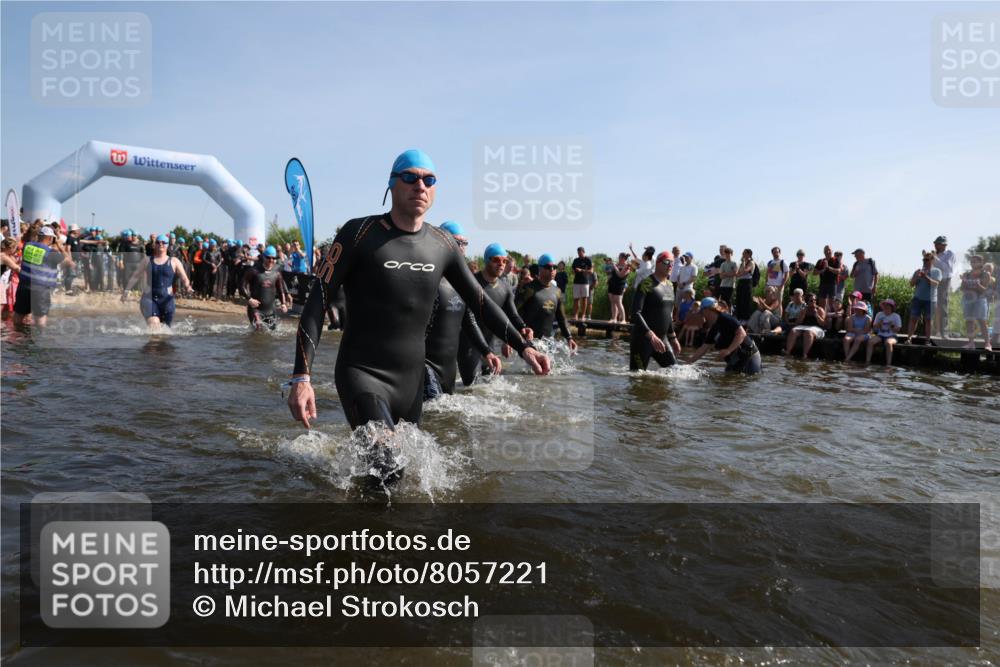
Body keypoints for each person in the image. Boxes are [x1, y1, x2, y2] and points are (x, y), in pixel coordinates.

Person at [287, 149, 550, 479]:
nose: (419, 186)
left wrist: (524, 346)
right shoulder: (359, 234)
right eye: (410, 177)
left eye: (429, 180)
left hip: (410, 384)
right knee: (389, 465)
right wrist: (302, 377)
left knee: (402, 476)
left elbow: (480, 301)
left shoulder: (442, 244)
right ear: (393, 185)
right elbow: (317, 302)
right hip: (362, 373)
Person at [423, 221, 500, 400]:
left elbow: (469, 321)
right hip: (423, 365)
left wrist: (486, 351)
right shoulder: (427, 277)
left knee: (446, 419)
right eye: (457, 242)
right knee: (431, 414)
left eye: (464, 243)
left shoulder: (461, 282)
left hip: (448, 368)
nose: (462, 248)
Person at [457, 242, 535, 386]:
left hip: (491, 342)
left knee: (488, 387)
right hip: (469, 343)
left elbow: (512, 314)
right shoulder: (472, 281)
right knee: (469, 386)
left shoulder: (505, 288)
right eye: (496, 260)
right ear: (487, 260)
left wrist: (523, 327)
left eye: (504, 261)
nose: (501, 264)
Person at [121, 234, 192, 330]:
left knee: (166, 330)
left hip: (167, 300)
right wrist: (126, 291)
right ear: (155, 245)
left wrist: (188, 286)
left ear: (167, 245)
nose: (161, 244)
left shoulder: (174, 261)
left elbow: (184, 278)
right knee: (154, 325)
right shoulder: (147, 260)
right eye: (158, 242)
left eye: (164, 242)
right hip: (149, 298)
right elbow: (135, 276)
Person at [12, 226, 74, 327]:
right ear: (50, 238)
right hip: (40, 289)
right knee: (40, 318)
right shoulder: (51, 252)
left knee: (19, 314)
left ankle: (17, 337)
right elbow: (69, 262)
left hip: (23, 285)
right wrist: (59, 245)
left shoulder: (27, 246)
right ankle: (39, 339)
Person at [629, 251, 680, 371]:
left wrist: (673, 337)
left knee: (675, 372)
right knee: (637, 378)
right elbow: (635, 313)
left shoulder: (669, 285)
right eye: (667, 262)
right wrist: (651, 335)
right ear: (657, 263)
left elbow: (667, 313)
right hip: (642, 340)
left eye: (672, 263)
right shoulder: (647, 283)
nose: (670, 265)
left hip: (661, 340)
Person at [516, 253, 577, 352]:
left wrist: (569, 337)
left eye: (554, 267)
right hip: (527, 341)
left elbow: (561, 317)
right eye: (548, 267)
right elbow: (514, 312)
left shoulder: (557, 291)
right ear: (540, 269)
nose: (552, 270)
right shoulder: (529, 289)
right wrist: (512, 336)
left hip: (547, 343)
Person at [689, 297, 762, 374]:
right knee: (728, 381)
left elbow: (742, 333)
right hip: (735, 359)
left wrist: (728, 350)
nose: (702, 315)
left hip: (749, 356)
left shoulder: (726, 318)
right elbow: (704, 348)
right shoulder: (714, 327)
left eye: (702, 312)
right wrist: (688, 364)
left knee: (751, 378)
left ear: (707, 310)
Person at [241, 245, 291, 331]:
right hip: (255, 309)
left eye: (273, 258)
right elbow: (242, 285)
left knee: (272, 333)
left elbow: (280, 289)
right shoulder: (254, 270)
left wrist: (283, 303)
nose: (271, 260)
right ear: (263, 257)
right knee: (258, 331)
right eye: (268, 258)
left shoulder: (277, 271)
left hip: (270, 309)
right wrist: (249, 299)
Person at [905, 251, 942, 344]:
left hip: (930, 300)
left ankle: (927, 340)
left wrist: (925, 277)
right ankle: (909, 339)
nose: (924, 261)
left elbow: (936, 284)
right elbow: (911, 284)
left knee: (928, 320)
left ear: (932, 260)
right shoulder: (918, 271)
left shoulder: (937, 271)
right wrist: (916, 277)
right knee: (913, 319)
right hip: (917, 299)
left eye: (927, 259)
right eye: (924, 259)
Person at [959, 254, 991, 351]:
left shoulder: (986, 274)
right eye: (971, 261)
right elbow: (961, 289)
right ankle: (970, 343)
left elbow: (984, 290)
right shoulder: (966, 274)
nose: (973, 263)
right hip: (968, 299)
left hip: (980, 299)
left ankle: (987, 344)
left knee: (982, 321)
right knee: (969, 321)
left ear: (981, 262)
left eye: (975, 261)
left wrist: (978, 285)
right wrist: (964, 283)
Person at [784, 293, 826, 358]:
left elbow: (823, 324)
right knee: (793, 330)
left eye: (815, 300)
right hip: (804, 326)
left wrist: (816, 315)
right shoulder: (803, 310)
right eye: (811, 300)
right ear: (807, 302)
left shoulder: (820, 309)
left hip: (817, 328)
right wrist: (803, 315)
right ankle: (788, 351)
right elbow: (798, 322)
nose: (814, 302)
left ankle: (805, 354)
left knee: (808, 333)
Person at [866, 299, 902, 365]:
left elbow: (898, 330)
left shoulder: (896, 316)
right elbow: (874, 327)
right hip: (880, 335)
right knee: (870, 342)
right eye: (884, 305)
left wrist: (892, 326)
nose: (885, 307)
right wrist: (879, 323)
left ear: (892, 307)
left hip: (892, 335)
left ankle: (888, 364)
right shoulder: (879, 314)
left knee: (888, 343)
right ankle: (867, 361)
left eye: (888, 306)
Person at [932, 235, 955, 337]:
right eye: (935, 243)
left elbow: (946, 268)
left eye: (937, 244)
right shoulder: (935, 254)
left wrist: (935, 258)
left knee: (942, 306)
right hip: (934, 280)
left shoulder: (949, 254)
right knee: (933, 306)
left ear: (944, 245)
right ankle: (935, 330)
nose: (935, 245)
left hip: (944, 281)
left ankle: (944, 332)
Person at [813, 245, 840, 313]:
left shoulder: (836, 260)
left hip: (832, 284)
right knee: (822, 303)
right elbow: (814, 272)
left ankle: (831, 320)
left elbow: (838, 271)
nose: (827, 251)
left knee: (832, 304)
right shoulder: (820, 261)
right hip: (823, 284)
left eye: (829, 250)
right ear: (824, 252)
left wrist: (828, 268)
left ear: (831, 251)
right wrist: (823, 270)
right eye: (826, 250)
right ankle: (822, 319)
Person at [607, 252, 631, 323]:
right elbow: (612, 273)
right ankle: (614, 318)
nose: (618, 259)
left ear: (623, 258)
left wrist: (614, 266)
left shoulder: (627, 266)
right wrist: (609, 278)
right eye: (618, 257)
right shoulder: (617, 264)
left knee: (618, 302)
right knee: (612, 301)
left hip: (620, 285)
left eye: (620, 258)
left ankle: (623, 319)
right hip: (612, 284)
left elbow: (620, 275)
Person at [571, 246, 593, 320]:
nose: (579, 254)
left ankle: (583, 315)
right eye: (578, 252)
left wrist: (582, 270)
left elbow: (591, 271)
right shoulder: (575, 260)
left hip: (585, 282)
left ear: (583, 252)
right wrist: (574, 271)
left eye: (580, 252)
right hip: (576, 282)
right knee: (576, 299)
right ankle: (576, 315)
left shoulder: (588, 260)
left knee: (584, 299)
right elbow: (572, 270)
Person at [734, 248, 755, 322]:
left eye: (744, 253)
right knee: (739, 299)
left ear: (749, 254)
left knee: (745, 300)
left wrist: (743, 264)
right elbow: (738, 274)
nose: (742, 255)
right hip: (741, 282)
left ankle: (746, 318)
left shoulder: (751, 262)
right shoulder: (742, 263)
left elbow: (745, 271)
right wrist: (740, 271)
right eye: (742, 253)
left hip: (747, 282)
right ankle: (739, 317)